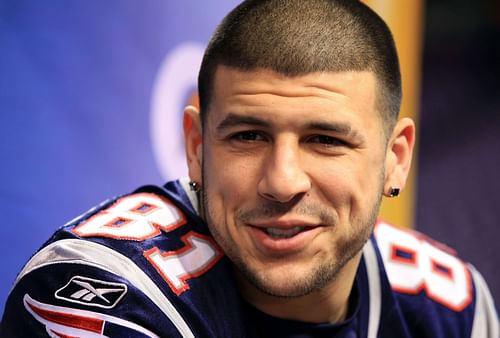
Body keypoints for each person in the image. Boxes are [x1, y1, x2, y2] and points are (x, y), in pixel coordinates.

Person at [2, 0, 498, 337]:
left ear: (395, 159)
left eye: (325, 140)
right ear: (196, 146)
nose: (282, 182)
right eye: (248, 136)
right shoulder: (100, 292)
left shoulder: (450, 306)